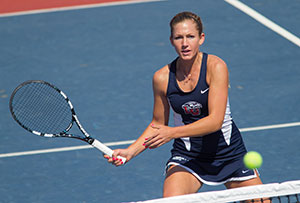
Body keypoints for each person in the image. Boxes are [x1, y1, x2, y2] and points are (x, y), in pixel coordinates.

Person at [104, 11, 265, 198]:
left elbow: (215, 121)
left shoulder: (215, 67)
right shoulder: (162, 78)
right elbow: (158, 124)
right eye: (179, 37)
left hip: (230, 155)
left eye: (190, 36)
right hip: (189, 157)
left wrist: (172, 133)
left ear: (201, 38)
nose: (185, 43)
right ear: (171, 40)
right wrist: (130, 151)